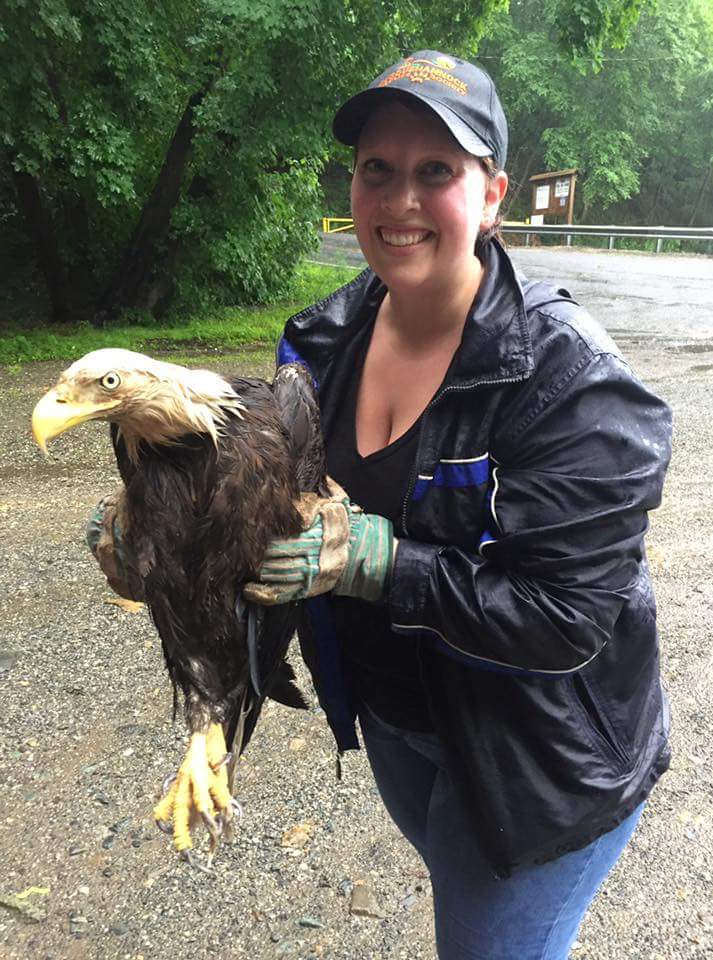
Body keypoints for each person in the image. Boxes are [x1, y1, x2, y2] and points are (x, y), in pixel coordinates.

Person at [89, 51, 672, 960]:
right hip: (399, 731)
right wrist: (162, 540)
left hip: (540, 763)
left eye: (436, 171)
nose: (400, 200)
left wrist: (378, 560)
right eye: (378, 170)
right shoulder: (322, 343)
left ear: (491, 197)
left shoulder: (575, 383)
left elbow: (566, 618)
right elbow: (263, 523)